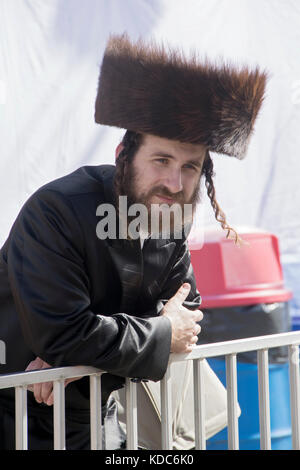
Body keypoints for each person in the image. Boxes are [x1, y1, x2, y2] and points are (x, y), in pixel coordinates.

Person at [0, 33, 267, 450]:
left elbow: (186, 314)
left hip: (104, 414)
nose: (175, 183)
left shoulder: (172, 218)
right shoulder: (55, 210)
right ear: (125, 152)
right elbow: (65, 335)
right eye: (161, 160)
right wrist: (153, 333)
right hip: (20, 417)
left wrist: (86, 359)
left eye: (190, 167)